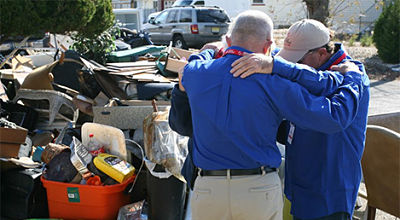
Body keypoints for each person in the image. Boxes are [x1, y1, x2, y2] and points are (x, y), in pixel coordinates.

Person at [177, 10, 365, 220]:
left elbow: (189, 66)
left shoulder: (194, 73)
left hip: (207, 190)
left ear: (229, 41)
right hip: (258, 190)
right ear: (268, 46)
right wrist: (354, 78)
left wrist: (209, 52)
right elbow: (333, 115)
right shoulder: (274, 83)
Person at [230, 19, 370, 219]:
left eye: (298, 60)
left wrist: (280, 67)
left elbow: (330, 108)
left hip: (329, 195)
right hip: (300, 188)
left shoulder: (352, 76)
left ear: (322, 53)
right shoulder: (311, 67)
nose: (293, 65)